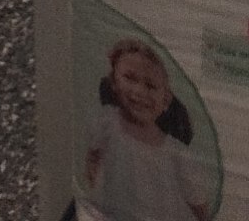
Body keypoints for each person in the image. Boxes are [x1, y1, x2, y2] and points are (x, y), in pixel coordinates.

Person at [80, 34, 211, 221]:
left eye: (150, 86)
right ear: (113, 82)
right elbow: (93, 156)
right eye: (129, 78)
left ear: (166, 100)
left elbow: (198, 204)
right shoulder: (106, 121)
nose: (139, 91)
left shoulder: (177, 154)